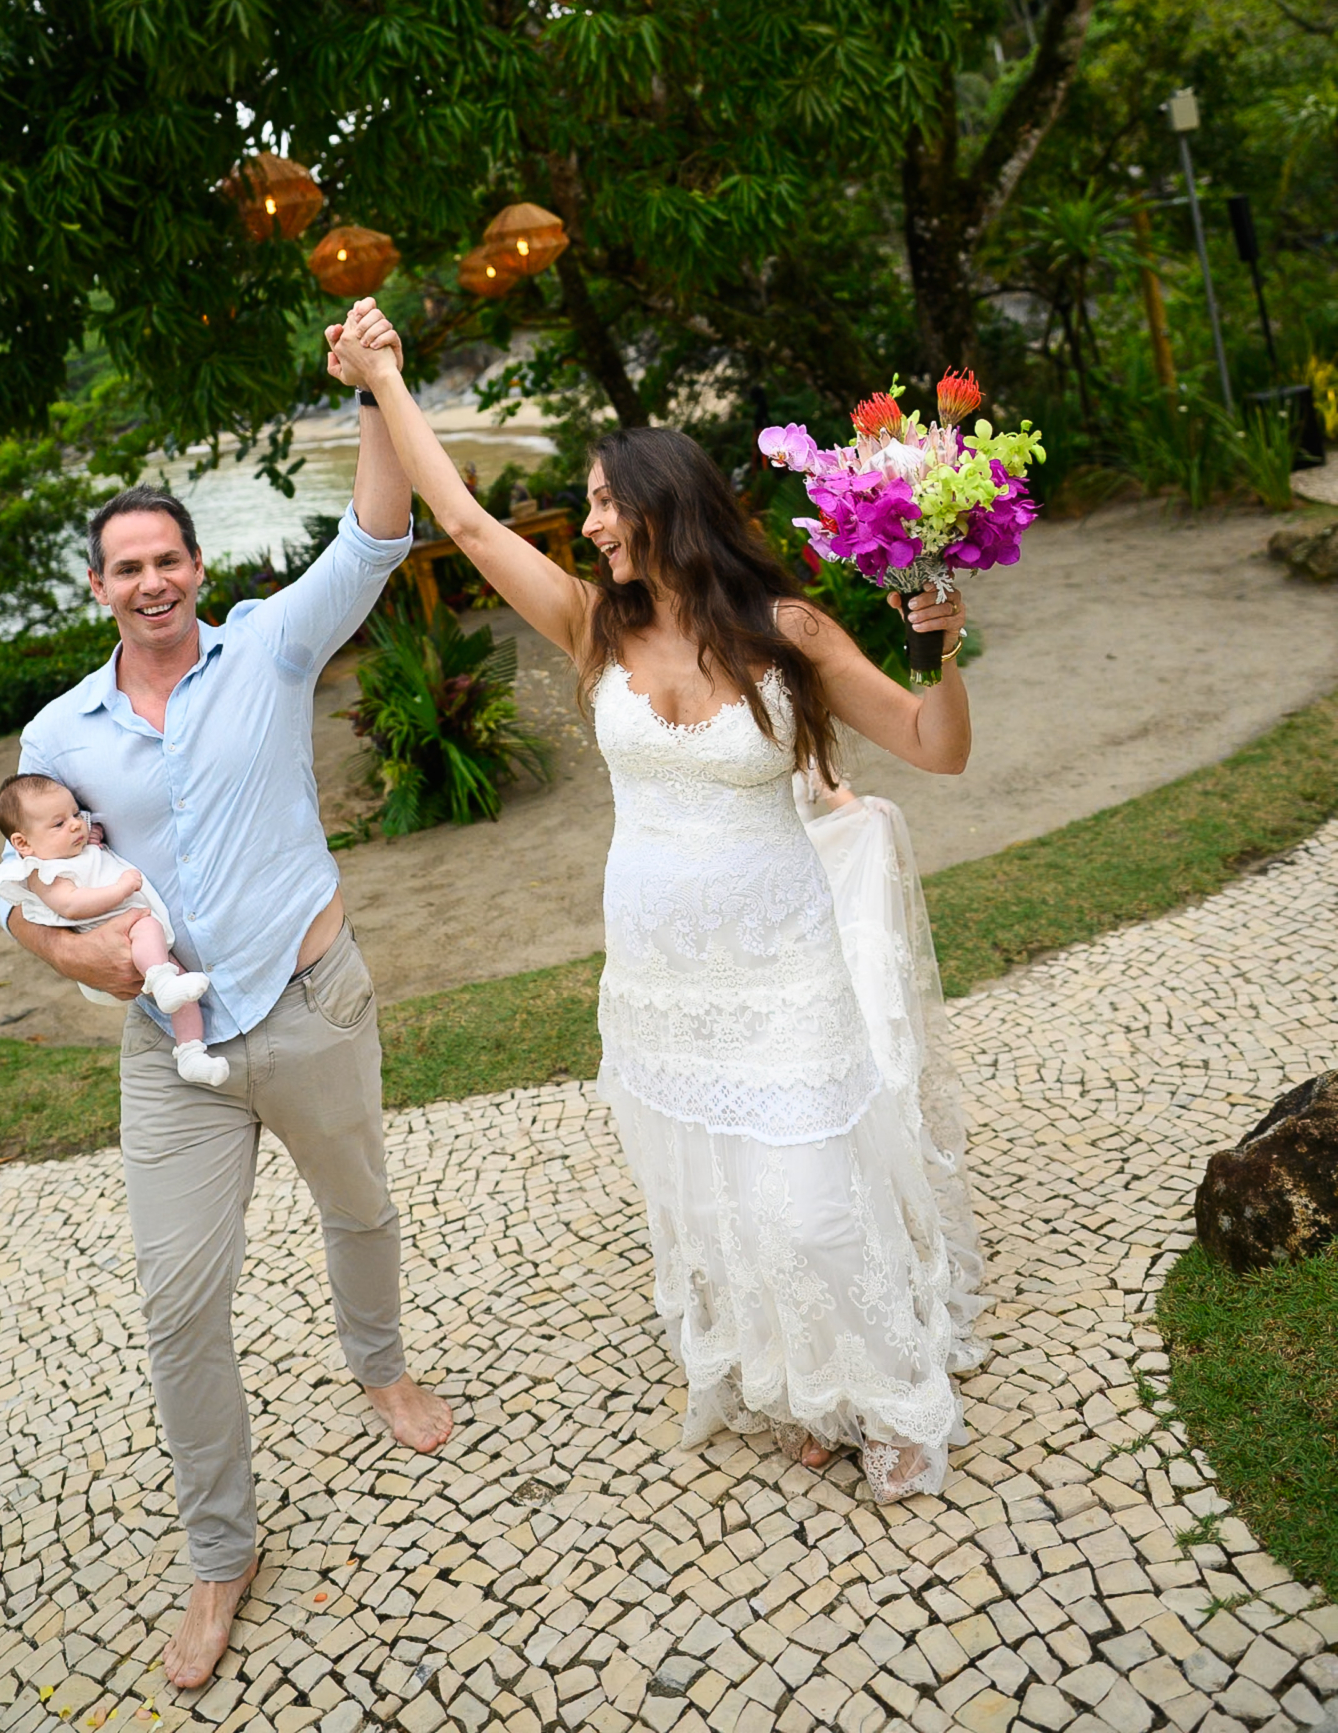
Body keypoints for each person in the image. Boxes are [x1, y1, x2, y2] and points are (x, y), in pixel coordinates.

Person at [328, 297, 986, 1502]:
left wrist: (940, 644)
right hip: (659, 976)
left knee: (808, 1206)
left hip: (782, 971)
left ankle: (886, 1395)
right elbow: (464, 520)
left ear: (662, 505)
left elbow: (933, 749)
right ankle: (807, 1387)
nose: (584, 524)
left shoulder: (785, 629)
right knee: (722, 1197)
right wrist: (382, 381)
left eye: (598, 500)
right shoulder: (591, 628)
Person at [0, 433, 452, 1693]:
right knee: (176, 1300)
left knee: (360, 1208)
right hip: (172, 1055)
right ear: (96, 588)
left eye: (167, 558)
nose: (150, 581)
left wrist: (372, 398)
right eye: (124, 566)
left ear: (197, 567)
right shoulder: (60, 734)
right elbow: (12, 888)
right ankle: (219, 1547)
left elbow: (371, 537)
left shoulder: (269, 647)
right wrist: (62, 952)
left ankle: (380, 1367)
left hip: (311, 999)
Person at [0, 773, 227, 1085]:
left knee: (184, 997)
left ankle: (192, 1054)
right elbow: (71, 904)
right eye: (59, 824)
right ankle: (162, 981)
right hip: (120, 933)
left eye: (75, 815)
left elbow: (92, 854)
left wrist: (90, 836)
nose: (74, 825)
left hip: (141, 937)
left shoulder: (75, 849)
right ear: (22, 843)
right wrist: (121, 889)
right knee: (148, 930)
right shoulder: (42, 872)